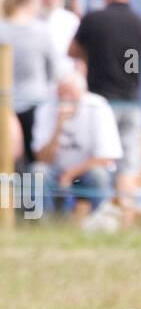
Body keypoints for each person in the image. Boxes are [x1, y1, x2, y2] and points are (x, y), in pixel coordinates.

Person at [69, 0, 141, 216]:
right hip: (131, 102)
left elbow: (72, 51)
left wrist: (95, 56)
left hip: (100, 103)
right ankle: (123, 217)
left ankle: (99, 215)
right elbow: (134, 64)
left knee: (100, 161)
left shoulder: (93, 20)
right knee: (128, 165)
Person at [31, 71, 122, 212]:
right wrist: (59, 126)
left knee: (99, 175)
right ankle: (43, 225)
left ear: (83, 92)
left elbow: (106, 157)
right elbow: (41, 159)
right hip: (55, 172)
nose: (65, 98)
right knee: (37, 171)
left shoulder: (98, 106)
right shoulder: (46, 108)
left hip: (87, 172)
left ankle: (102, 225)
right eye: (61, 92)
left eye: (70, 92)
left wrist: (70, 174)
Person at [0, 0, 56, 169]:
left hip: (5, 104)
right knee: (35, 162)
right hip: (35, 103)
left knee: (7, 162)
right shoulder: (42, 31)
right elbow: (52, 71)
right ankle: (33, 199)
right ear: (28, 3)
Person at [38, 0, 79, 77]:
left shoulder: (71, 20)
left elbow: (78, 56)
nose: (50, 0)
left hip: (65, 79)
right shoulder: (30, 20)